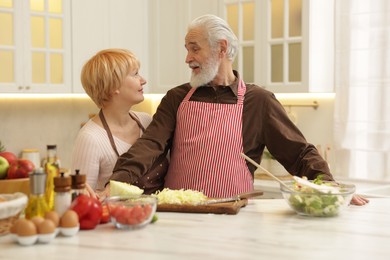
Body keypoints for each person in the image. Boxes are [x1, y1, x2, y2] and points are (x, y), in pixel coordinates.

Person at [109, 15, 368, 205]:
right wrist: (116, 182)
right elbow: (150, 144)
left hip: (237, 218)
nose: (187, 58)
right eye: (187, 49)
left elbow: (298, 153)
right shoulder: (176, 98)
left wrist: (330, 188)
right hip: (181, 215)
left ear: (221, 48)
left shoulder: (259, 101)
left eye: (194, 48)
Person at [71, 48, 152, 196]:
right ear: (114, 86)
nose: (143, 80)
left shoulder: (147, 122)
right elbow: (81, 199)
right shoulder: (90, 138)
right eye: (135, 74)